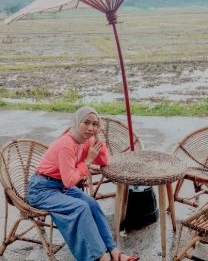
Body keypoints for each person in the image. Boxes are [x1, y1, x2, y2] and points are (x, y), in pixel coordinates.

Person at [27, 106, 139, 261]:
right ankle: (100, 257)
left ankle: (114, 252)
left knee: (91, 203)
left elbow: (105, 161)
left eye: (95, 124)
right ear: (77, 122)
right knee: (81, 207)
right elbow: (69, 181)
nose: (90, 128)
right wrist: (87, 161)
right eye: (86, 122)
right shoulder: (67, 145)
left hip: (60, 187)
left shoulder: (87, 141)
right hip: (41, 190)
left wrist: (98, 139)